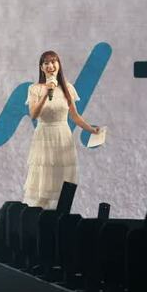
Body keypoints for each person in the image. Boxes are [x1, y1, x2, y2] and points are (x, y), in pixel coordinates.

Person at [23, 50, 100, 209]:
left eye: (53, 62)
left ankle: (59, 214)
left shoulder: (68, 88)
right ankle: (40, 214)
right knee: (44, 177)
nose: (50, 65)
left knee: (61, 178)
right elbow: (34, 114)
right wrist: (47, 92)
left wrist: (91, 129)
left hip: (62, 135)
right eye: (46, 63)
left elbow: (75, 116)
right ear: (41, 67)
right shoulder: (34, 89)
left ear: (59, 65)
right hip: (44, 136)